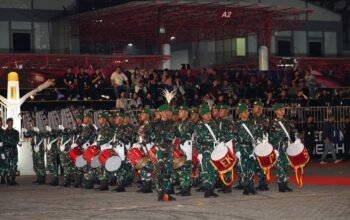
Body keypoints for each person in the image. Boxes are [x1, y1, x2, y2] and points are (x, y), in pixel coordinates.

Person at [194, 104, 219, 198]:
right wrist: (199, 152)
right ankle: (207, 189)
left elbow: (218, 136)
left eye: (209, 113)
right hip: (204, 151)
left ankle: (211, 188)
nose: (209, 115)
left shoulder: (214, 124)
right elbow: (196, 141)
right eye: (206, 114)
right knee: (205, 170)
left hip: (213, 150)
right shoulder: (199, 126)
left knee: (212, 170)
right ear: (202, 116)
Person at [232, 104, 257, 195]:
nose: (247, 113)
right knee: (244, 168)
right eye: (244, 112)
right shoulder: (237, 125)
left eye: (247, 111)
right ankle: (246, 187)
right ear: (240, 114)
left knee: (251, 167)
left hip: (250, 148)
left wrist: (255, 147)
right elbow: (235, 138)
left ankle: (251, 186)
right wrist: (237, 150)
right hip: (242, 148)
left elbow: (255, 135)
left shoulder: (251, 123)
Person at [153, 104, 177, 201]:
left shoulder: (172, 124)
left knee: (168, 171)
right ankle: (160, 192)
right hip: (159, 151)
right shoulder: (155, 124)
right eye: (165, 111)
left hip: (169, 150)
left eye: (168, 111)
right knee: (159, 172)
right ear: (161, 113)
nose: (167, 113)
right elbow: (147, 136)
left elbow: (177, 135)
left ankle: (166, 193)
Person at [269, 103, 293, 192]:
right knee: (279, 166)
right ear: (276, 111)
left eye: (283, 109)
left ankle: (285, 183)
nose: (283, 111)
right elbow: (271, 137)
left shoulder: (287, 121)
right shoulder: (273, 122)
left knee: (286, 165)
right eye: (280, 109)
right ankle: (281, 185)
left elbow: (292, 131)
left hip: (286, 146)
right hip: (278, 147)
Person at [252, 101, 270, 191]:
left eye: (256, 107)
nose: (254, 108)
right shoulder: (252, 118)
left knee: (262, 163)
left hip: (262, 144)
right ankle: (261, 181)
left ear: (260, 108)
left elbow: (261, 129)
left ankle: (264, 183)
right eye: (254, 106)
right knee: (257, 164)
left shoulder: (264, 118)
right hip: (255, 144)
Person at [4, 118, 20, 185]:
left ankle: (13, 179)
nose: (11, 123)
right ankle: (8, 179)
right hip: (7, 151)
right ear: (7, 123)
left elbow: (17, 140)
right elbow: (4, 142)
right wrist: (12, 142)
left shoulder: (16, 132)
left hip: (14, 150)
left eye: (12, 122)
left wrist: (13, 142)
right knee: (7, 165)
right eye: (10, 122)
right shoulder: (4, 132)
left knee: (14, 165)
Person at [0, 118, 7, 184]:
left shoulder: (4, 132)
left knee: (3, 164)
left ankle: (2, 178)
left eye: (0, 122)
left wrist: (3, 143)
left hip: (2, 151)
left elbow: (7, 140)